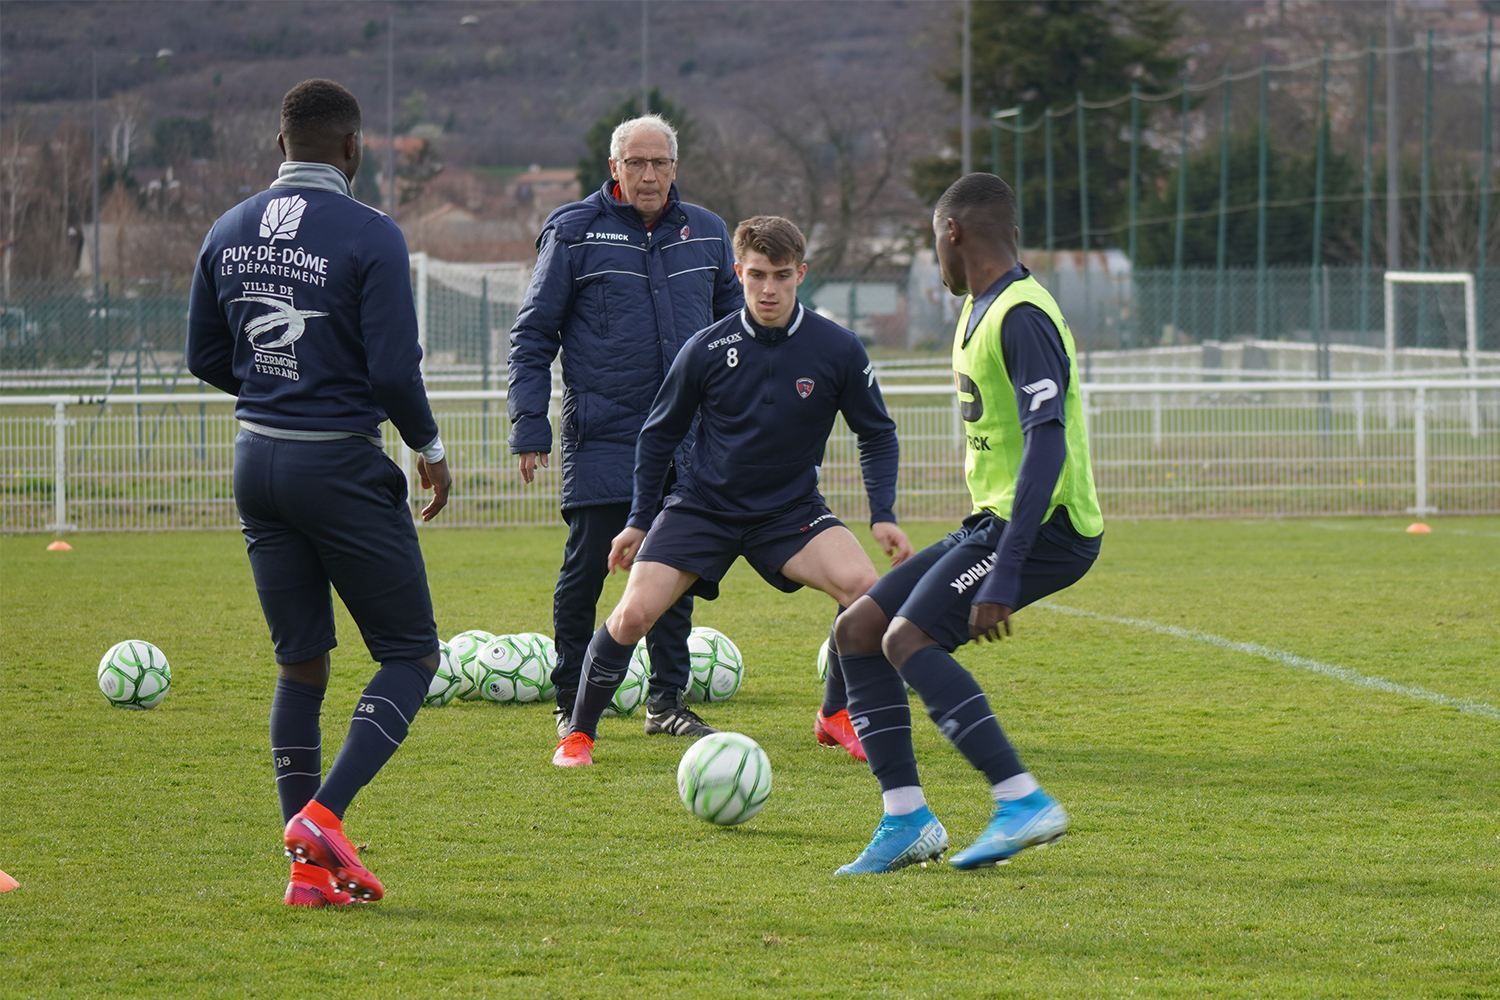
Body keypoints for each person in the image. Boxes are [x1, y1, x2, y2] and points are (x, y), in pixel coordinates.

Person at [187, 79, 452, 907]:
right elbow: (391, 371)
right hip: (336, 464)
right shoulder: (371, 234)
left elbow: (203, 355)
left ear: (280, 147)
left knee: (300, 669)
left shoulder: (226, 229)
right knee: (410, 654)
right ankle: (325, 818)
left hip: (256, 462)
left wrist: (278, 387)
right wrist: (430, 449)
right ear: (353, 149)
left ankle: (306, 874)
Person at [551, 216, 914, 767]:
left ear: (802, 275)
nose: (768, 290)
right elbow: (658, 436)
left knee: (867, 593)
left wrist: (882, 512)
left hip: (789, 512)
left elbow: (878, 433)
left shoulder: (837, 348)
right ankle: (578, 734)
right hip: (703, 508)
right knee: (631, 617)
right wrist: (639, 519)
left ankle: (835, 715)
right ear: (739, 272)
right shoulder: (706, 347)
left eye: (782, 276)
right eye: (757, 276)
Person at [830, 173, 1104, 874]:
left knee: (909, 638)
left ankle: (1022, 801)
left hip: (1046, 526)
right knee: (858, 631)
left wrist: (1007, 569)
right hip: (993, 521)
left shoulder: (1021, 313)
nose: (936, 256)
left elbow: (1049, 442)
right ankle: (907, 821)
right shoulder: (979, 307)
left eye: (933, 240)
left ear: (953, 231)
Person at [508, 114, 743, 742]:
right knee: (586, 570)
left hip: (687, 443)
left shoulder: (708, 233)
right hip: (605, 435)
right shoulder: (574, 231)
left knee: (677, 568)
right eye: (635, 163)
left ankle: (667, 702)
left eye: (658, 163)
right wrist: (530, 424)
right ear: (614, 168)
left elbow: (736, 339)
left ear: (675, 167)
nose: (648, 175)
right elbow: (533, 335)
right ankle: (570, 700)